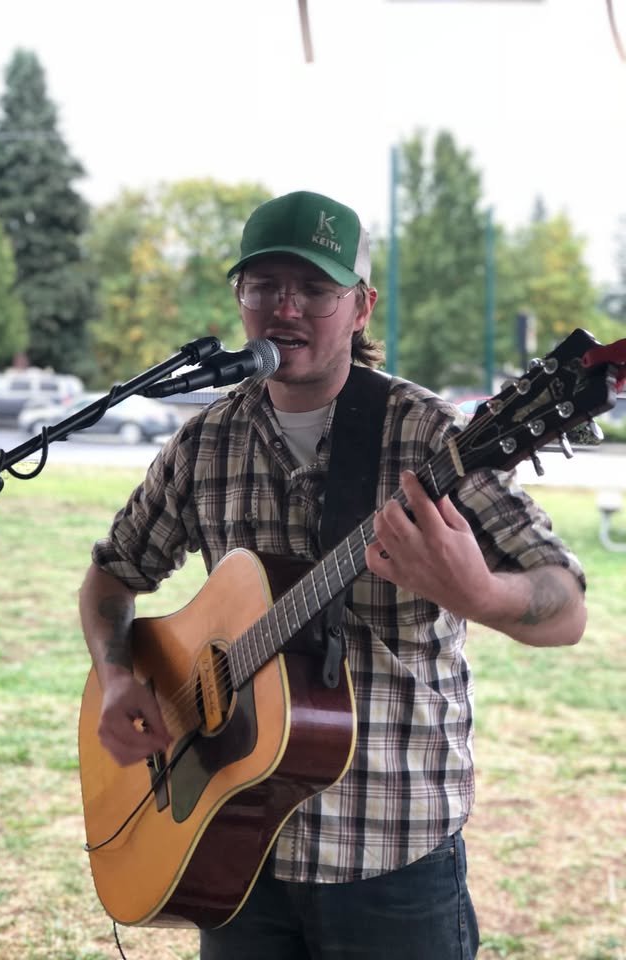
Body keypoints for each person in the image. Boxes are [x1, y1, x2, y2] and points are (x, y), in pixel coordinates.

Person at [79, 190, 587, 959]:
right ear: (239, 300)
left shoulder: (429, 436)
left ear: (360, 307)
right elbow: (112, 576)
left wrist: (478, 594)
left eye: (315, 289)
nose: (287, 308)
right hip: (235, 850)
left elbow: (564, 605)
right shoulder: (206, 441)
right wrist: (119, 677)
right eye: (264, 286)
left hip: (390, 857)